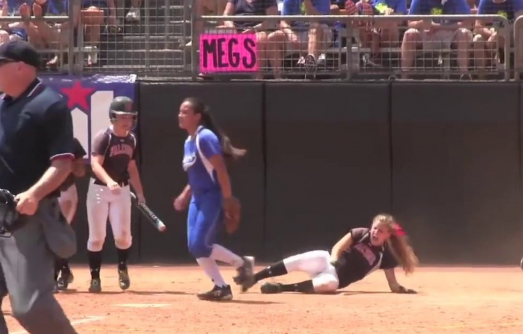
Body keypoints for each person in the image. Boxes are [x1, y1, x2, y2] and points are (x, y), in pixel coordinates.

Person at [0, 40, 92, 334]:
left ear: (21, 66)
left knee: (29, 305)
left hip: (30, 219)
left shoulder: (50, 105)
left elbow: (63, 164)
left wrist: (34, 194)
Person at [174, 97, 255, 301]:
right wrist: (185, 195)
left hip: (212, 196)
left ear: (197, 116)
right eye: (180, 112)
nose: (180, 115)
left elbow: (220, 170)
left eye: (185, 112)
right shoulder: (188, 141)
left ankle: (241, 264)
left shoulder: (205, 137)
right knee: (195, 246)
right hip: (198, 198)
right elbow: (196, 174)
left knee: (200, 244)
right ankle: (222, 286)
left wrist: (227, 199)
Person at [241, 214, 419, 294]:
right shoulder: (360, 233)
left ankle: (280, 288)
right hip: (328, 262)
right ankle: (255, 277)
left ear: (388, 235)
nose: (375, 233)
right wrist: (334, 259)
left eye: (381, 231)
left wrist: (402, 289)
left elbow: (393, 284)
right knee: (312, 256)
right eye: (375, 228)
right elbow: (337, 247)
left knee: (329, 283)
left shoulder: (384, 256)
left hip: (336, 278)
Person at [85, 96, 145, 293]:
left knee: (123, 236)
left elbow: (132, 167)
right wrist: (109, 181)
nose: (127, 121)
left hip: (122, 190)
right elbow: (95, 164)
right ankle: (95, 277)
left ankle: (122, 267)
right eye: (123, 117)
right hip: (100, 190)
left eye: (130, 117)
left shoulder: (132, 139)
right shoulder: (104, 137)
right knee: (97, 237)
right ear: (113, 117)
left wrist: (140, 193)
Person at [55, 137, 87, 291]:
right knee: (45, 234)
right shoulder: (35, 138)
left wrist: (72, 164)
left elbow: (81, 172)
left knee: (57, 233)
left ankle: (54, 277)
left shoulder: (71, 142)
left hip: (65, 192)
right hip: (43, 193)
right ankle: (65, 271)